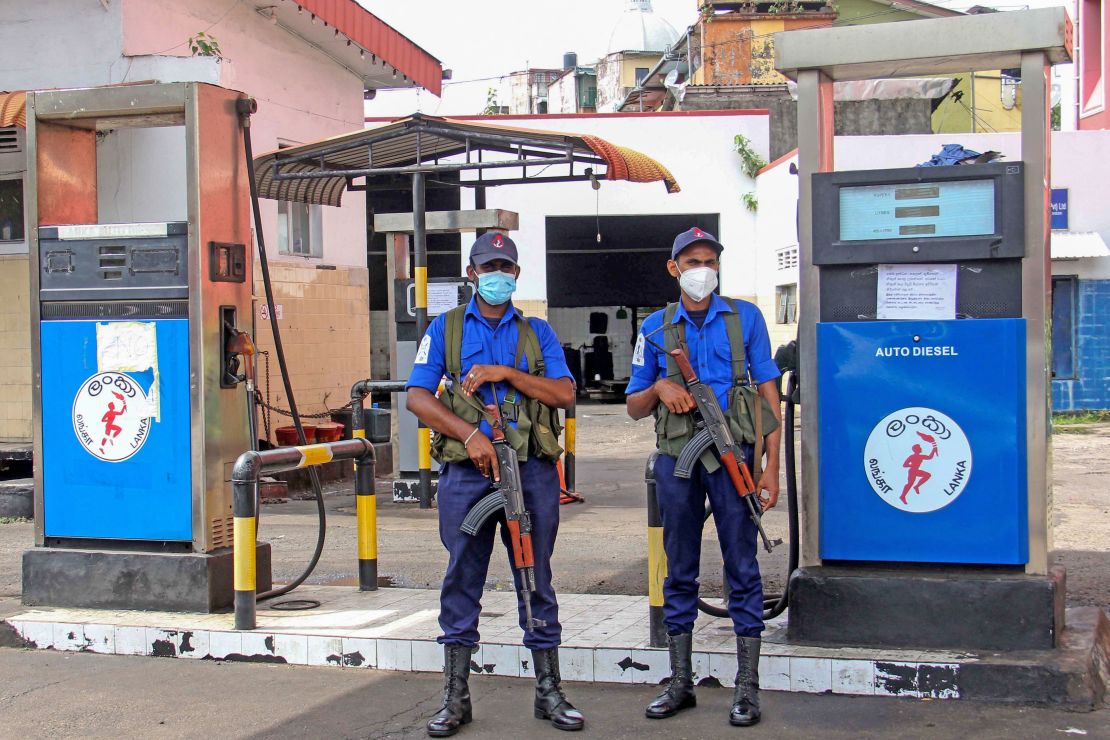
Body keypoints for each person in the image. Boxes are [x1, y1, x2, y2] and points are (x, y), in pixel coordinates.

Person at [406, 231, 583, 737]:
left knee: (536, 575)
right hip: (468, 473)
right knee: (463, 578)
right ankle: (454, 697)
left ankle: (549, 692)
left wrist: (507, 371)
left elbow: (565, 395)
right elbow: (417, 397)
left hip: (529, 470)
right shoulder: (445, 329)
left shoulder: (536, 333)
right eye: (489, 266)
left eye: (506, 266)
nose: (498, 274)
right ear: (472, 273)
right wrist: (468, 435)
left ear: (517, 275)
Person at [625, 227, 782, 727]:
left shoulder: (745, 318)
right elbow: (632, 405)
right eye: (692, 261)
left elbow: (768, 396)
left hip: (736, 453)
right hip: (678, 457)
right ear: (674, 268)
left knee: (742, 563)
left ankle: (747, 687)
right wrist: (661, 386)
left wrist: (771, 466)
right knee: (680, 566)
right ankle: (679, 682)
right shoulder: (654, 327)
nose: (702, 270)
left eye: (710, 260)